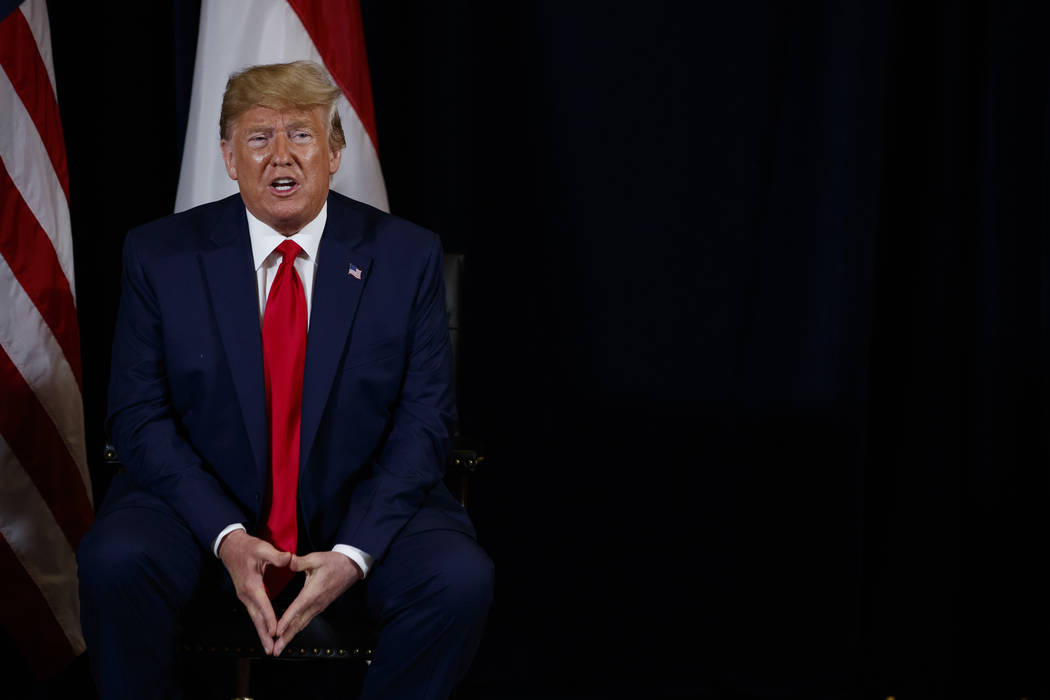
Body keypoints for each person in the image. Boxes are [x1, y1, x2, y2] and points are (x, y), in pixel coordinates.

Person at [77, 60, 493, 699]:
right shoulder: (159, 255)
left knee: (457, 579)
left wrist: (356, 551)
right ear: (227, 155)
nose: (282, 156)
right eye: (258, 137)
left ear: (334, 151)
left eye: (301, 135)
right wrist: (225, 535)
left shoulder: (405, 255)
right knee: (114, 562)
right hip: (200, 506)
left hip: (359, 501)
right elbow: (136, 415)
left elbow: (425, 421)